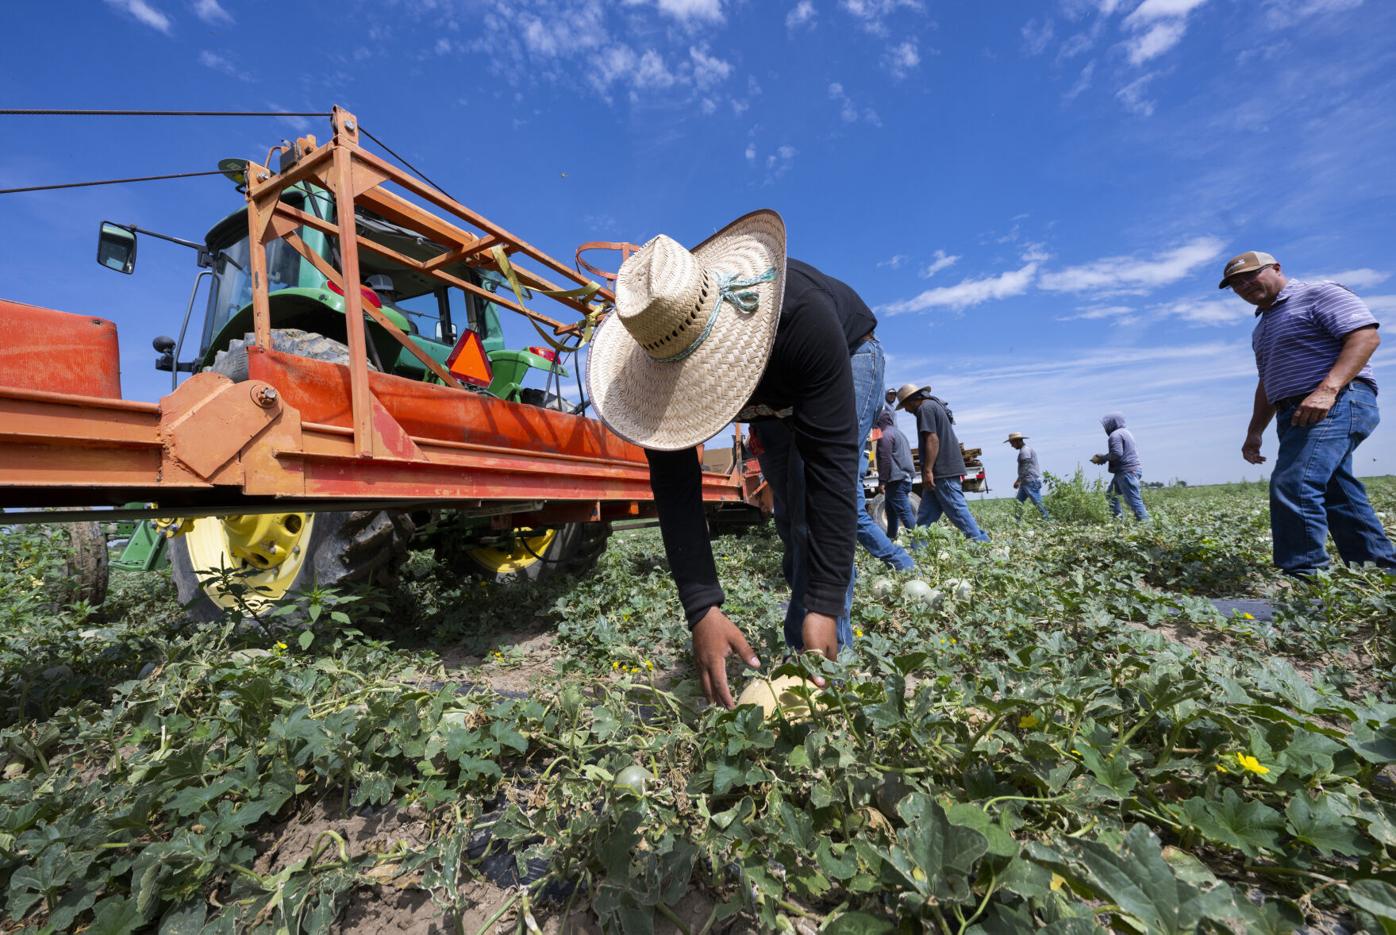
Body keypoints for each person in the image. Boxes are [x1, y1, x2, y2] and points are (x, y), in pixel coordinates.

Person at [587, 210, 894, 708]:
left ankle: (824, 669)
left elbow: (832, 471)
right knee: (788, 516)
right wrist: (701, 608)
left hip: (847, 354)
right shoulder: (662, 340)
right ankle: (807, 627)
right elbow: (675, 487)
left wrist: (824, 601)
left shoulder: (803, 319)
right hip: (774, 395)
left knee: (812, 510)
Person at [1222, 250, 1396, 575]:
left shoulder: (1318, 293)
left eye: (1250, 276)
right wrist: (1254, 432)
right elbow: (1267, 381)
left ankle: (1305, 580)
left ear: (1276, 268)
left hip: (1337, 400)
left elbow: (1365, 337)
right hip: (1294, 411)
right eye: (1236, 284)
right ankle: (1378, 572)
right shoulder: (1262, 327)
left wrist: (1327, 390)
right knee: (1337, 491)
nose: (1244, 286)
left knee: (1294, 483)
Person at [894, 383, 990, 542]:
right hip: (941, 471)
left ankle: (982, 543)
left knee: (957, 511)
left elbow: (932, 440)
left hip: (942, 471)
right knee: (926, 516)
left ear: (912, 400)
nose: (906, 410)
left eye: (905, 406)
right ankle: (918, 549)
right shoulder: (933, 405)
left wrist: (928, 470)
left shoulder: (925, 409)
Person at [1091, 413, 1148, 521]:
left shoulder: (1115, 435)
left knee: (1134, 500)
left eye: (1106, 424)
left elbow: (1117, 453)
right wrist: (1105, 457)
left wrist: (1103, 458)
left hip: (1127, 472)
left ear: (1112, 423)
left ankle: (1146, 526)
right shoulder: (1126, 432)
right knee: (1111, 496)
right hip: (1128, 470)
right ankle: (1118, 521)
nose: (1105, 427)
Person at [875, 408, 917, 539]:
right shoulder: (898, 433)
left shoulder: (885, 435)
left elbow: (885, 460)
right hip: (905, 478)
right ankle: (891, 540)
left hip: (896, 480)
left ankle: (920, 544)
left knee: (905, 513)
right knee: (891, 512)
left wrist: (882, 481)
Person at [1006, 432, 1049, 520]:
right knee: (1018, 503)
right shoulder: (1025, 450)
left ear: (1017, 441)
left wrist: (1018, 481)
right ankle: (1016, 523)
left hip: (1030, 481)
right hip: (1026, 481)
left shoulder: (1024, 451)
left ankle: (1048, 521)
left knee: (1038, 503)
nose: (1011, 446)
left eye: (1012, 443)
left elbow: (1026, 468)